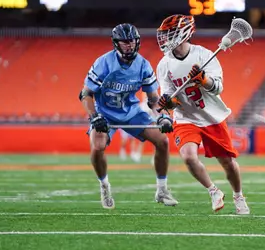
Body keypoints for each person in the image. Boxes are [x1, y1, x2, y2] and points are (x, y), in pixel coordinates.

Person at [156, 14, 250, 214]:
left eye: (169, 34)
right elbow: (171, 99)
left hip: (211, 116)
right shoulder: (164, 64)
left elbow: (217, 88)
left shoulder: (204, 55)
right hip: (186, 117)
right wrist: (168, 103)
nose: (165, 39)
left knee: (227, 163)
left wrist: (202, 79)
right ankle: (213, 191)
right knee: (189, 157)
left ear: (184, 33)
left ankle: (238, 195)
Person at [79, 23, 178, 208]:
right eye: (124, 42)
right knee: (97, 147)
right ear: (116, 43)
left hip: (131, 112)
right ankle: (104, 185)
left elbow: (153, 99)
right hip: (105, 113)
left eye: (131, 41)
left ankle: (162, 190)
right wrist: (94, 116)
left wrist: (163, 115)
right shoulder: (104, 63)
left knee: (163, 141)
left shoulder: (143, 65)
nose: (129, 45)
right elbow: (85, 94)